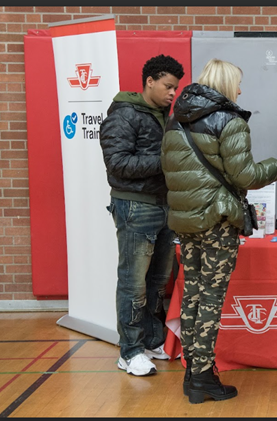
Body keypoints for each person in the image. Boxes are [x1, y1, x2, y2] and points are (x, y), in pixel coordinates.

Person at [160, 58, 277, 404]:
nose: (241, 90)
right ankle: (203, 377)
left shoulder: (175, 120)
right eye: (239, 83)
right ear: (228, 85)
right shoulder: (228, 121)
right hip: (216, 221)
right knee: (212, 297)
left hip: (186, 222)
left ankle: (192, 372)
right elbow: (245, 176)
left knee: (192, 293)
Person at [100, 54, 185, 377]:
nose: (171, 93)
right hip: (134, 206)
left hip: (163, 206)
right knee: (133, 283)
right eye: (167, 86)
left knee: (157, 281)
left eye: (175, 88)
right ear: (149, 81)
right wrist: (165, 161)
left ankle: (150, 341)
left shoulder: (165, 115)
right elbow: (118, 164)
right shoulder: (123, 115)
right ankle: (130, 351)